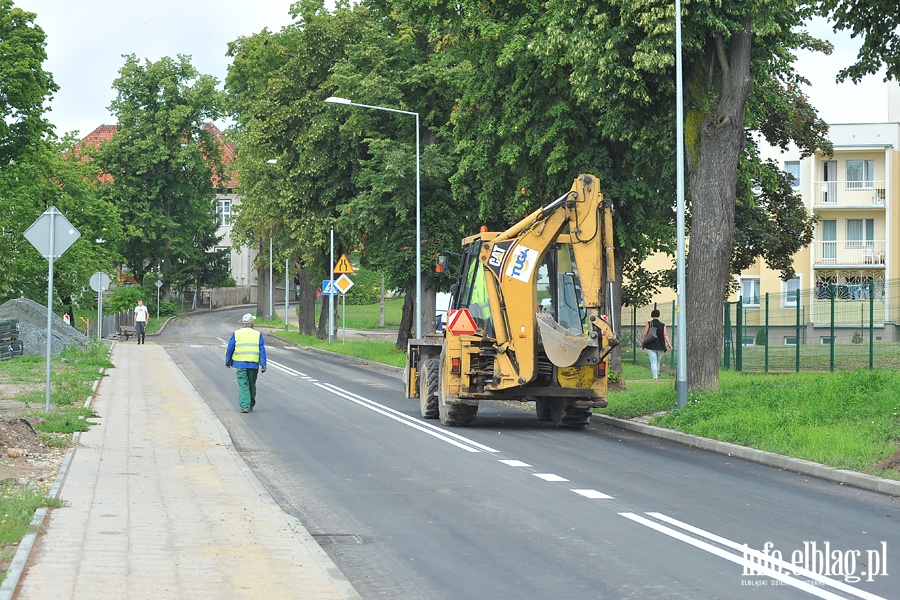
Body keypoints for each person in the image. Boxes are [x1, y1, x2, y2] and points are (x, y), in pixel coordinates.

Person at [225, 313, 267, 413]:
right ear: (252, 323)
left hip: (240, 364)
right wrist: (263, 364)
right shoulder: (257, 334)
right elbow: (262, 349)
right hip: (253, 364)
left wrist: (228, 361)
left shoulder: (236, 333)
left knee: (243, 384)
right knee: (252, 384)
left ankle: (244, 406)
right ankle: (251, 405)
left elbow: (230, 348)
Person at [643, 309, 672, 381]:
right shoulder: (663, 325)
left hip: (650, 345)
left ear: (651, 315)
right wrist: (669, 344)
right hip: (660, 346)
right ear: (659, 315)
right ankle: (657, 376)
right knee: (658, 361)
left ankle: (655, 378)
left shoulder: (649, 324)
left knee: (653, 362)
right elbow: (665, 335)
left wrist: (643, 341)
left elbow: (645, 333)